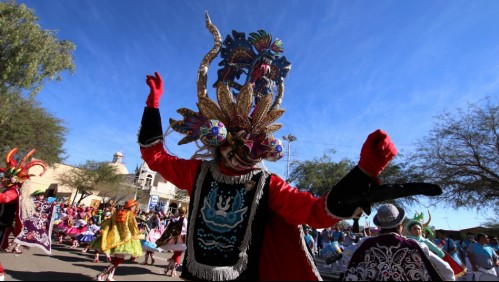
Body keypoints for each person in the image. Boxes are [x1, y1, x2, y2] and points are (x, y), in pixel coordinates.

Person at [138, 12, 442, 281]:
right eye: (234, 145)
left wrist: (365, 171)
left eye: (251, 148)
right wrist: (153, 106)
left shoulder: (267, 185)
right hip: (198, 272)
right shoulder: (199, 172)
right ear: (220, 142)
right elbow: (155, 157)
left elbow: (315, 212)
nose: (241, 154)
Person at [341, 204, 455, 281]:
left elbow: (346, 255)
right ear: (400, 226)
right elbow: (446, 271)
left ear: (379, 226)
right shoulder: (416, 245)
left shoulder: (364, 243)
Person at [0, 148, 47, 280]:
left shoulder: (13, 192)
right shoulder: (7, 188)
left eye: (7, 177)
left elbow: (4, 198)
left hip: (2, 226)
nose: (3, 179)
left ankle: (0, 273)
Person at [92, 199, 143, 281]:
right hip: (124, 239)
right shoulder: (130, 214)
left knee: (116, 259)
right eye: (134, 206)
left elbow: (109, 222)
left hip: (115, 237)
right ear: (131, 207)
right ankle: (101, 275)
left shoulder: (117, 212)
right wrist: (139, 232)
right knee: (119, 259)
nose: (135, 208)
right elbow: (132, 227)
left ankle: (109, 277)